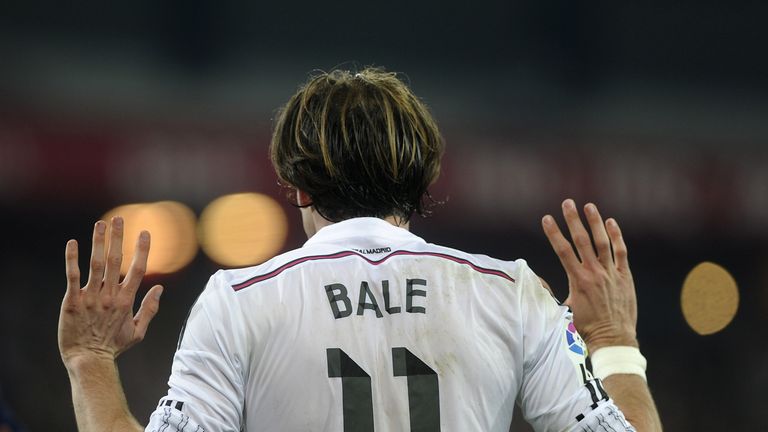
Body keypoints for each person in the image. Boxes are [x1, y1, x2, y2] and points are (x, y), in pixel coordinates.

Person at [58, 69, 662, 431]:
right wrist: (613, 339)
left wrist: (90, 360)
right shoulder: (510, 292)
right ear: (423, 182)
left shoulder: (240, 300)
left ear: (294, 183)